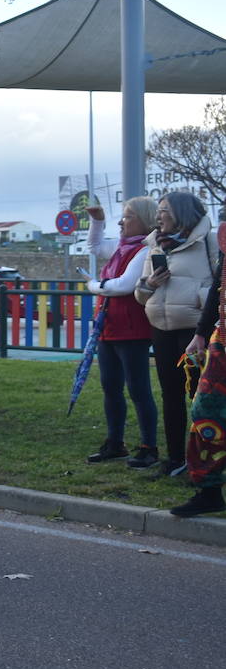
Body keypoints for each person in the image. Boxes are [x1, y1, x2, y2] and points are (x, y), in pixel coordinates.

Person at [134, 192, 216, 475]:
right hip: (161, 328)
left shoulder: (209, 240)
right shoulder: (154, 244)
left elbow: (221, 285)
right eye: (157, 211)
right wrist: (150, 284)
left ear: (181, 213)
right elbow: (140, 295)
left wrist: (199, 296)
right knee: (170, 395)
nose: (158, 217)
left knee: (199, 396)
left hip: (195, 331)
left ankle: (203, 461)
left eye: (164, 211)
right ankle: (175, 459)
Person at [83, 199, 157, 465]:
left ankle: (149, 447)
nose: (121, 222)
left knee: (138, 389)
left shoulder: (144, 250)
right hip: (109, 328)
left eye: (127, 217)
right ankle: (115, 443)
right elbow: (93, 247)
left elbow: (125, 285)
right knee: (110, 387)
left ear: (144, 220)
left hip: (132, 329)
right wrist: (97, 221)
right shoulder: (120, 246)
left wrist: (93, 284)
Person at [175, 235, 226, 516]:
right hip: (223, 339)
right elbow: (219, 285)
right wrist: (202, 333)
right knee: (206, 410)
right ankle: (209, 491)